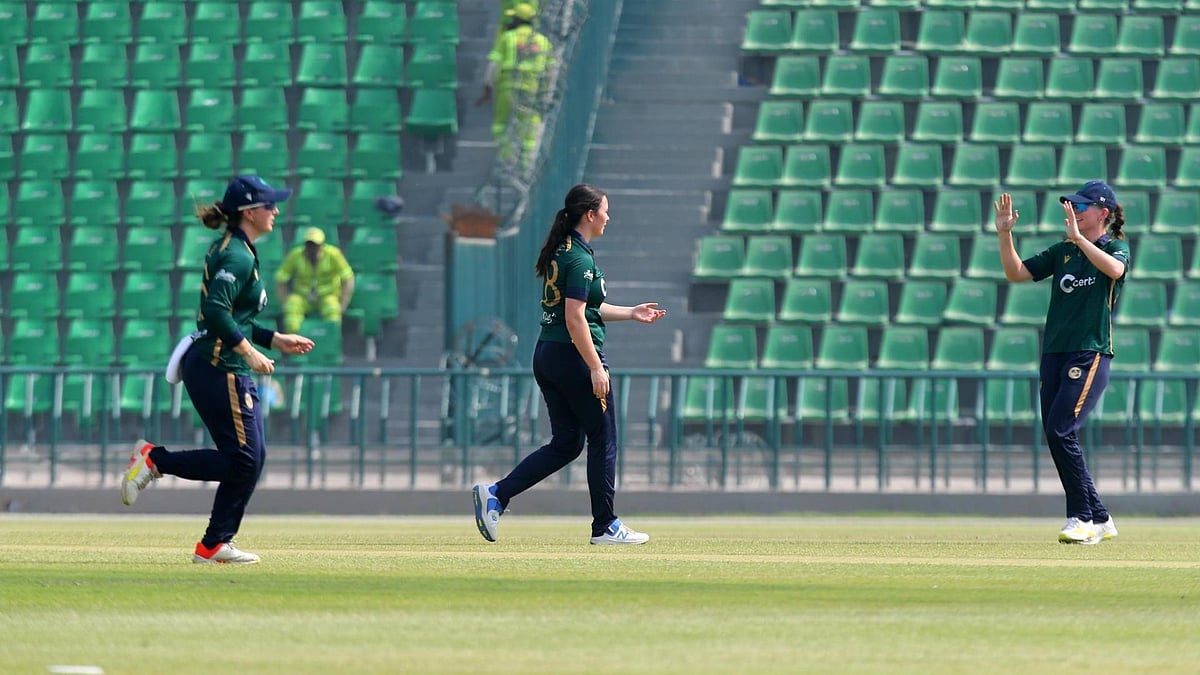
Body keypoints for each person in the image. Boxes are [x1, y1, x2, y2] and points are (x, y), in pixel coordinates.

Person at [120, 174, 316, 565]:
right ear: (248, 212)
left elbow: (235, 318)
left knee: (249, 459)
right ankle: (155, 461)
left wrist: (274, 339)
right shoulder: (237, 255)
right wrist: (249, 352)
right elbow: (215, 312)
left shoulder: (239, 249)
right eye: (269, 205)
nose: (276, 211)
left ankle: (214, 544)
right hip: (219, 367)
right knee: (244, 461)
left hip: (221, 365)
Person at [472, 184, 667, 545]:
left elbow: (586, 309)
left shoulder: (565, 251)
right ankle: (606, 525)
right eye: (605, 210)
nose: (608, 217)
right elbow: (575, 318)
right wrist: (595, 367)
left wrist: (631, 312)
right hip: (573, 356)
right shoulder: (579, 259)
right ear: (590, 215)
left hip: (549, 354)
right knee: (603, 438)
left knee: (567, 443)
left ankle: (497, 494)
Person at [993, 181, 1129, 545]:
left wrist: (1080, 240)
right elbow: (1016, 273)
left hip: (1089, 351)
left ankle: (1082, 518)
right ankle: (1100, 517)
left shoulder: (1114, 247)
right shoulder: (1063, 251)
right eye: (1073, 206)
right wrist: (1005, 235)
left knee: (1060, 429)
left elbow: (1115, 270)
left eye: (1082, 206)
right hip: (1054, 352)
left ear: (1103, 212)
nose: (1075, 211)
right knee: (1056, 432)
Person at [476, 2, 554, 168]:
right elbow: (550, 72)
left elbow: (493, 66)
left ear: (518, 20)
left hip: (508, 88)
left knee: (501, 126)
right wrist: (545, 94)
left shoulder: (508, 37)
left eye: (514, 18)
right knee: (529, 129)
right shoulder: (543, 42)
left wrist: (487, 89)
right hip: (532, 89)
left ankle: (507, 160)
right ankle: (526, 166)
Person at [274, 226, 355, 335]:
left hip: (327, 296)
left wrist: (343, 303)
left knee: (333, 310)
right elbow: (280, 278)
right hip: (302, 297)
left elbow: (348, 278)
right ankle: (294, 340)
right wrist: (284, 301)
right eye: (309, 245)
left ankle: (329, 341)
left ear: (322, 245)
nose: (312, 248)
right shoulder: (295, 255)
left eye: (315, 245)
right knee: (292, 305)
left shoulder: (334, 255)